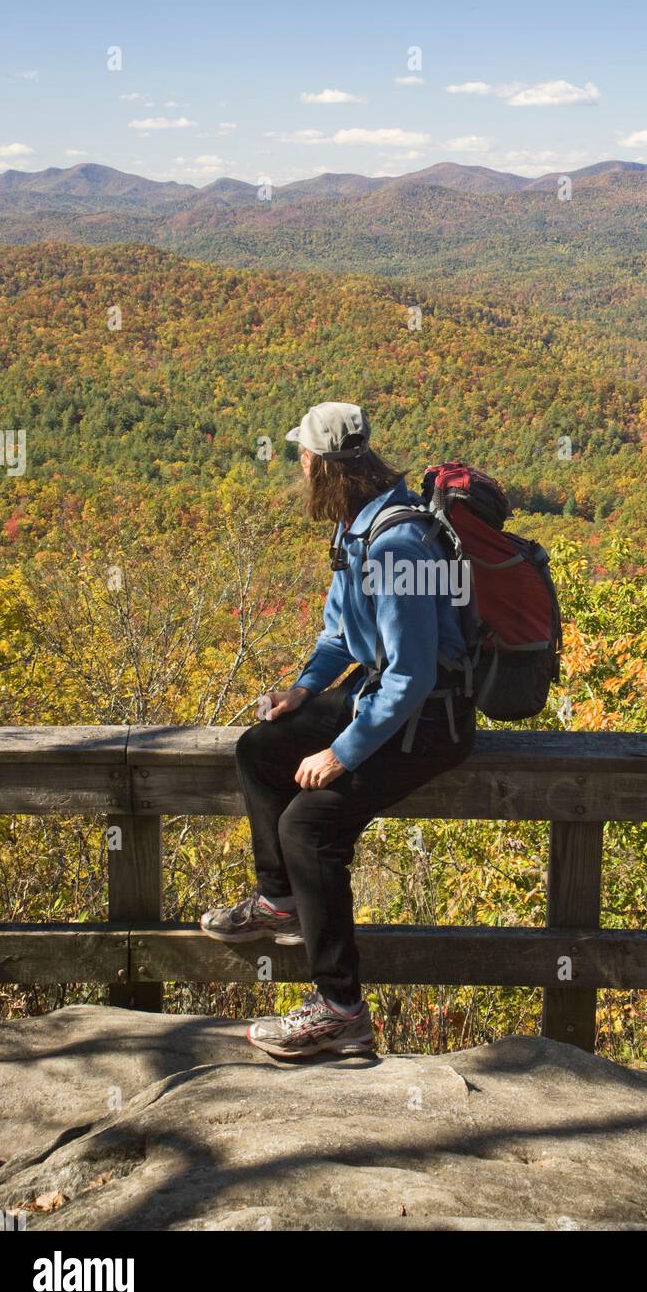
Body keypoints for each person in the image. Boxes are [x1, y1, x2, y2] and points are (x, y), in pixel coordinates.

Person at [200, 401, 477, 1058]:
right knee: (261, 747)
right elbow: (337, 634)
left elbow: (410, 676)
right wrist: (302, 690)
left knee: (309, 824)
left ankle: (340, 1010)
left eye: (302, 457)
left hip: (428, 720)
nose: (296, 466)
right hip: (380, 695)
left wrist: (339, 753)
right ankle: (280, 900)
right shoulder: (359, 527)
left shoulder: (399, 544)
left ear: (323, 465)